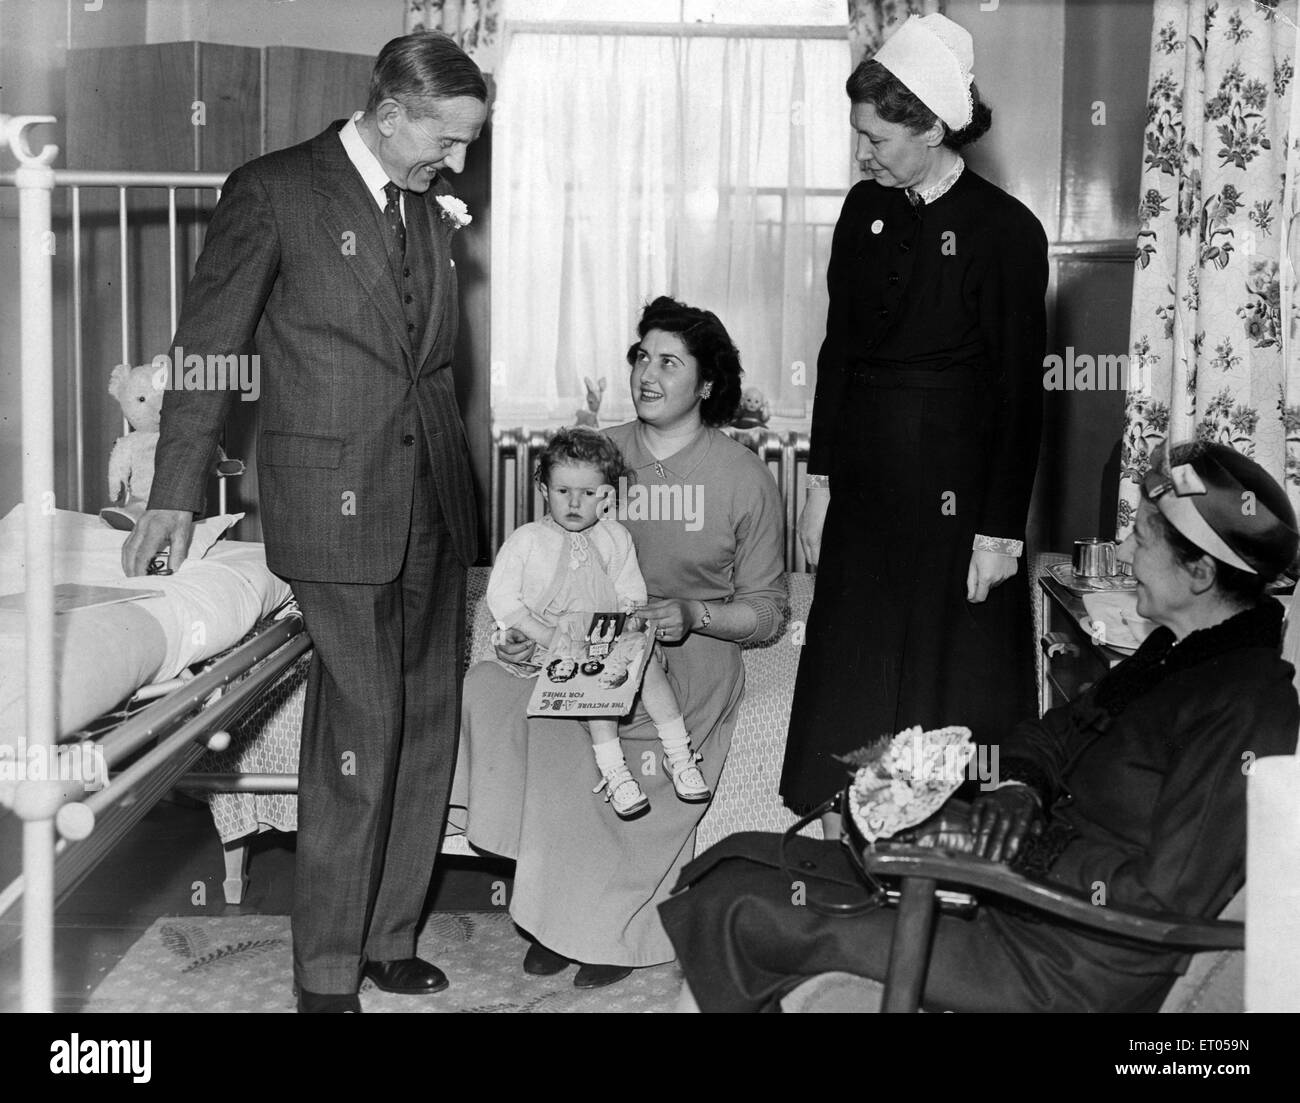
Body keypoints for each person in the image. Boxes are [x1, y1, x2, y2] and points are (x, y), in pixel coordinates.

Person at [662, 441, 1300, 1012]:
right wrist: (1019, 793)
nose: (1125, 549)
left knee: (745, 909)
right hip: (1019, 902)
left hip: (1068, 960)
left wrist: (1014, 847)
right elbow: (1048, 736)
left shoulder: (1245, 705)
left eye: (1143, 538)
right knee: (737, 860)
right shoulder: (1169, 654)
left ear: (1200, 573)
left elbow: (1165, 901)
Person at [122, 33, 488, 1013]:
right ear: (393, 112)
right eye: (447, 141)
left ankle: (388, 935)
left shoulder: (424, 202)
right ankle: (326, 968)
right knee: (363, 724)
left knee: (426, 717)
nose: (456, 164)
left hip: (433, 495)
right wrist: (173, 492)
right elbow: (207, 349)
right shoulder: (275, 191)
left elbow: (432, 361)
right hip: (332, 501)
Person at [459, 296, 787, 988]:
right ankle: (553, 910)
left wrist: (694, 612)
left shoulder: (743, 476)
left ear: (705, 384)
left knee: (643, 754)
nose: (647, 372)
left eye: (669, 362)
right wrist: (523, 635)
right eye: (642, 356)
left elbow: (765, 613)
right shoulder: (599, 453)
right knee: (502, 693)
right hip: (585, 637)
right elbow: (545, 555)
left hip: (685, 647)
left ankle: (610, 928)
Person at [779, 13, 1049, 833]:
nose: (866, 153)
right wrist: (821, 482)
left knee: (943, 691)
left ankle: (943, 875)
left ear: (933, 125)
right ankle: (841, 859)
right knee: (850, 680)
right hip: (866, 487)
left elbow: (1019, 393)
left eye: (880, 137)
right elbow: (838, 355)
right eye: (861, 135)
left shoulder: (1008, 231)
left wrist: (999, 532)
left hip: (958, 501)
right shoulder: (863, 209)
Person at [485, 427, 711, 819]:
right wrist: (548, 635)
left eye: (589, 494)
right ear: (543, 489)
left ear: (608, 496)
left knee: (648, 665)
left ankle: (679, 754)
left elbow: (631, 592)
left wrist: (626, 629)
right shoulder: (527, 540)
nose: (574, 503)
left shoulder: (615, 537)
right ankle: (615, 771)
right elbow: (502, 598)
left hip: (603, 635)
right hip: (547, 644)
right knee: (598, 680)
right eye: (562, 491)